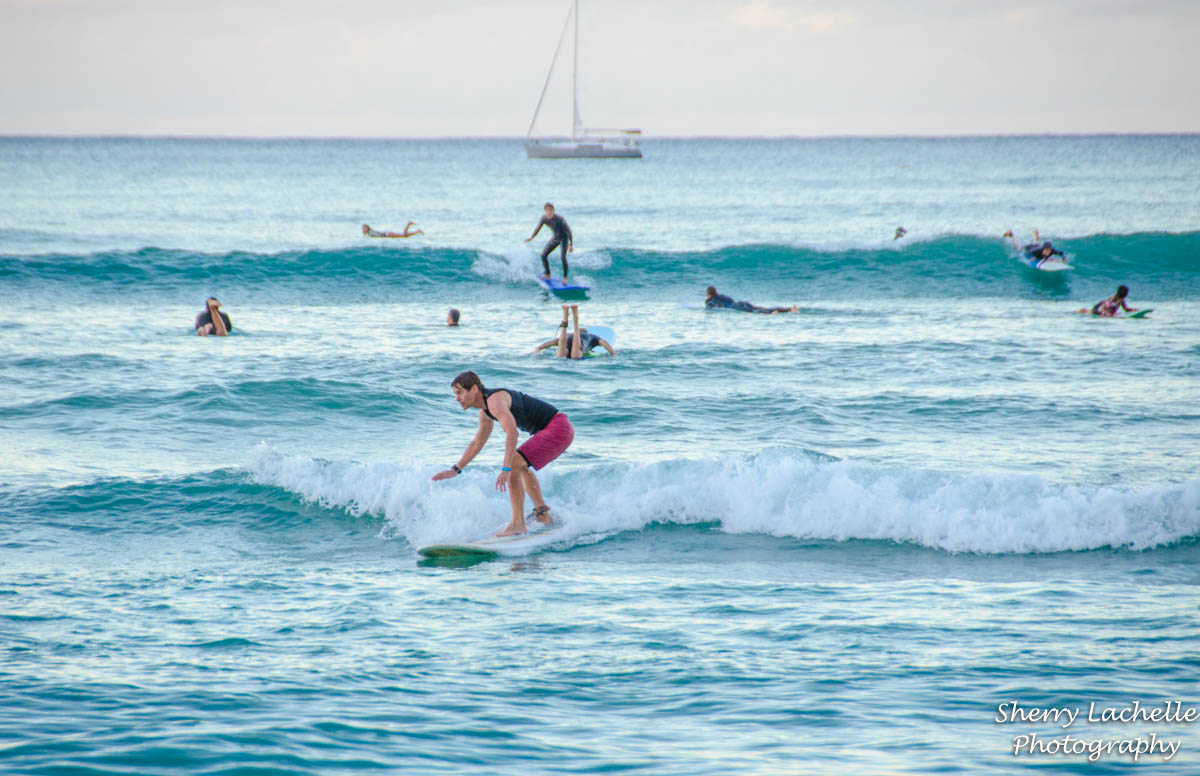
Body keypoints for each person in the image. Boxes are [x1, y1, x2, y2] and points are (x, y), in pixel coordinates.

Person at [432, 371, 574, 536]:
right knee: (520, 465)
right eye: (455, 394)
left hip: (559, 428)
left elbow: (512, 432)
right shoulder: (485, 412)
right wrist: (456, 469)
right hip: (555, 428)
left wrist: (506, 468)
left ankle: (517, 524)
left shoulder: (495, 400)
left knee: (514, 462)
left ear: (475, 389)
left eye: (460, 392)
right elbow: (477, 442)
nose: (457, 398)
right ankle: (543, 514)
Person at [533, 304, 616, 359]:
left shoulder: (569, 335)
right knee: (575, 356)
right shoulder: (592, 336)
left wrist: (539, 348)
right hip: (577, 350)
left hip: (566, 344)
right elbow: (604, 343)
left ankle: (565, 318)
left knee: (561, 355)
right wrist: (613, 353)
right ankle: (575, 319)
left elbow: (551, 342)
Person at [524, 202, 573, 281]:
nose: (549, 212)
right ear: (545, 211)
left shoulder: (560, 219)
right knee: (543, 255)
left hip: (564, 239)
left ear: (553, 211)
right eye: (547, 210)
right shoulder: (544, 218)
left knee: (563, 257)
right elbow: (538, 228)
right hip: (555, 238)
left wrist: (571, 244)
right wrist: (532, 237)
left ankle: (565, 278)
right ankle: (548, 274)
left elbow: (568, 231)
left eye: (550, 210)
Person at [705, 286, 798, 314]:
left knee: (753, 311)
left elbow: (711, 306)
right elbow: (730, 301)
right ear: (716, 292)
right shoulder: (722, 296)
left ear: (708, 295)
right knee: (761, 308)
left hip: (736, 307)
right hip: (740, 302)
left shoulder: (710, 300)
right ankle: (789, 309)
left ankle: (771, 314)